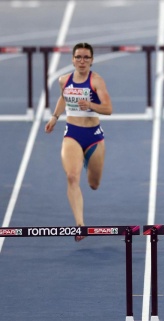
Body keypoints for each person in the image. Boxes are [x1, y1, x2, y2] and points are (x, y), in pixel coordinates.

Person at [44, 42, 113, 240]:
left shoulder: (96, 81)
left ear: (91, 60)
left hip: (93, 137)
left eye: (86, 57)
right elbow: (63, 98)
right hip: (72, 134)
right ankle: (80, 225)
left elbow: (108, 109)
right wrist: (55, 117)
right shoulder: (64, 80)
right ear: (73, 59)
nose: (82, 61)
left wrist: (90, 104)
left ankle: (87, 160)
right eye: (78, 57)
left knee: (93, 184)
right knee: (72, 177)